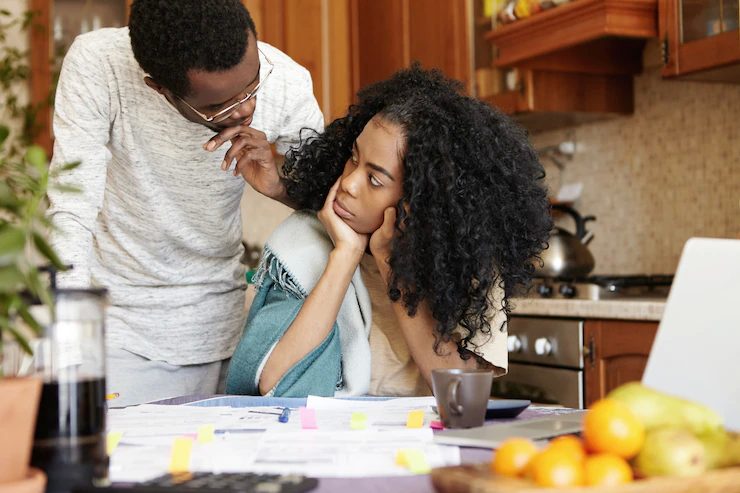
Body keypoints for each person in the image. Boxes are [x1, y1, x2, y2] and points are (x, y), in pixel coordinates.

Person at [46, 0, 324, 407]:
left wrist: (280, 186)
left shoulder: (286, 80)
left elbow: (337, 206)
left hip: (232, 336)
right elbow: (71, 209)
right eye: (218, 106)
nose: (246, 108)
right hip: (121, 335)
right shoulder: (99, 64)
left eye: (252, 86)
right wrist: (69, 355)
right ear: (158, 87)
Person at [225, 66, 552, 397]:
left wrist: (389, 263)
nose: (349, 184)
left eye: (375, 179)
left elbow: (460, 395)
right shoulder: (306, 245)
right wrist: (346, 255)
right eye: (353, 159)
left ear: (421, 200)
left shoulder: (471, 266)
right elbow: (276, 383)